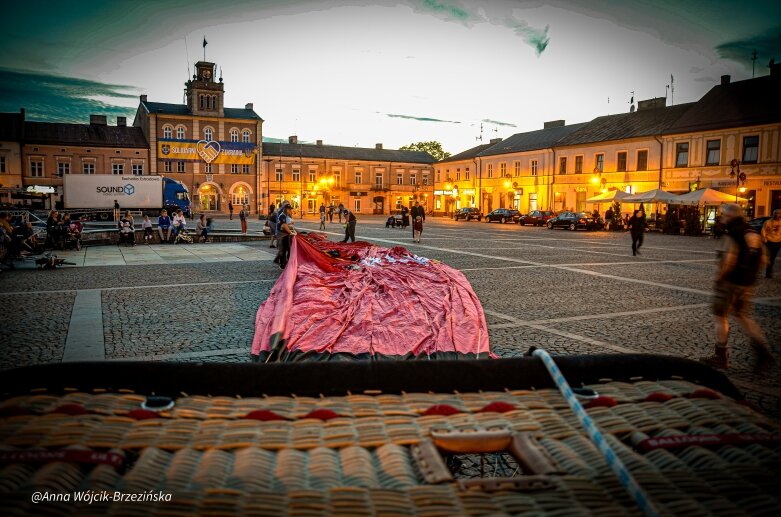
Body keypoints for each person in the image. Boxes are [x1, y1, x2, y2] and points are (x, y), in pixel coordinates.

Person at [701, 204, 774, 369]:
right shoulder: (752, 232)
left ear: (730, 216)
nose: (722, 218)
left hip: (730, 282)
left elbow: (729, 259)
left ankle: (720, 356)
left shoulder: (732, 233)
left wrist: (720, 278)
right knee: (742, 316)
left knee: (720, 316)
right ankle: (763, 351)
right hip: (746, 283)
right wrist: (749, 275)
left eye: (724, 216)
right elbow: (765, 259)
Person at [274, 204, 296, 269]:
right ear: (286, 209)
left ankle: (284, 262)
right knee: (284, 249)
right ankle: (282, 263)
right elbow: (284, 225)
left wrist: (290, 224)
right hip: (282, 234)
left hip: (284, 234)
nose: (290, 211)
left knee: (286, 248)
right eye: (289, 209)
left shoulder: (284, 216)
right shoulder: (282, 216)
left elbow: (285, 224)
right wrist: (291, 233)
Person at [761, 209, 781, 278]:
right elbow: (763, 231)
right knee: (770, 258)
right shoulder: (767, 222)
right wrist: (765, 240)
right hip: (769, 242)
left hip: (778, 242)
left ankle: (768, 272)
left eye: (779, 213)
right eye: (775, 213)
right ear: (773, 214)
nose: (777, 215)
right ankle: (768, 273)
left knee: (773, 258)